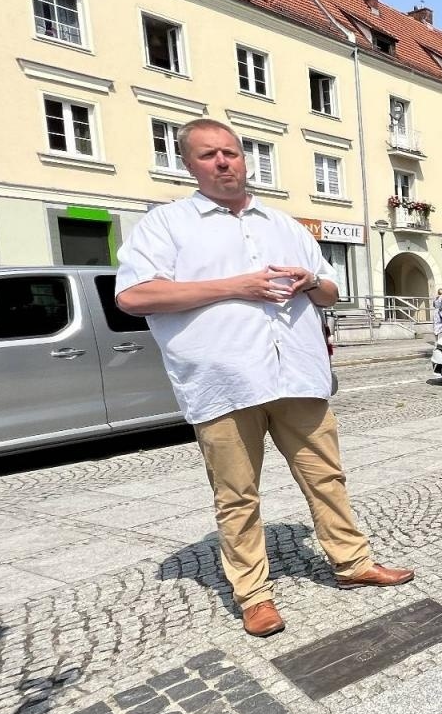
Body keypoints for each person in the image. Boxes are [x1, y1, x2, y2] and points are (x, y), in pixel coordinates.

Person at [115, 118, 414, 639]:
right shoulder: (166, 225)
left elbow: (329, 292)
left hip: (297, 374)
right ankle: (253, 595)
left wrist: (312, 280)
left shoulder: (284, 224)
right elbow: (133, 297)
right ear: (188, 163)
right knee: (237, 494)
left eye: (231, 152)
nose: (224, 162)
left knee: (327, 477)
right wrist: (237, 286)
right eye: (209, 155)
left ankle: (352, 563)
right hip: (224, 381)